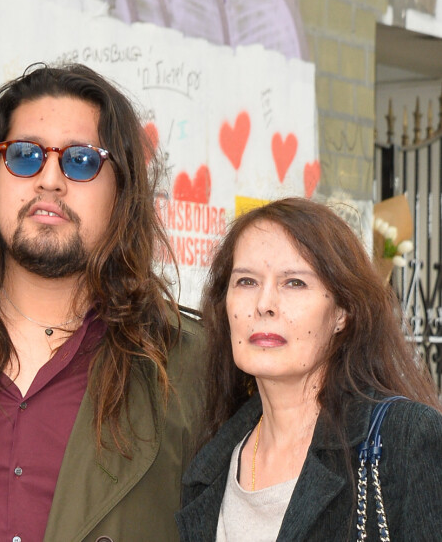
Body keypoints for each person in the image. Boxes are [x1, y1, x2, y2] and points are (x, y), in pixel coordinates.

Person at [0, 63, 207, 541]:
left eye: (81, 160)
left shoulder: (187, 368)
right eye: (25, 156)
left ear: (122, 191)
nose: (49, 179)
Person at [176, 197, 442, 541]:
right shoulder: (211, 460)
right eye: (246, 281)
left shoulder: (406, 440)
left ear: (343, 312)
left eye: (294, 283)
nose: (264, 305)